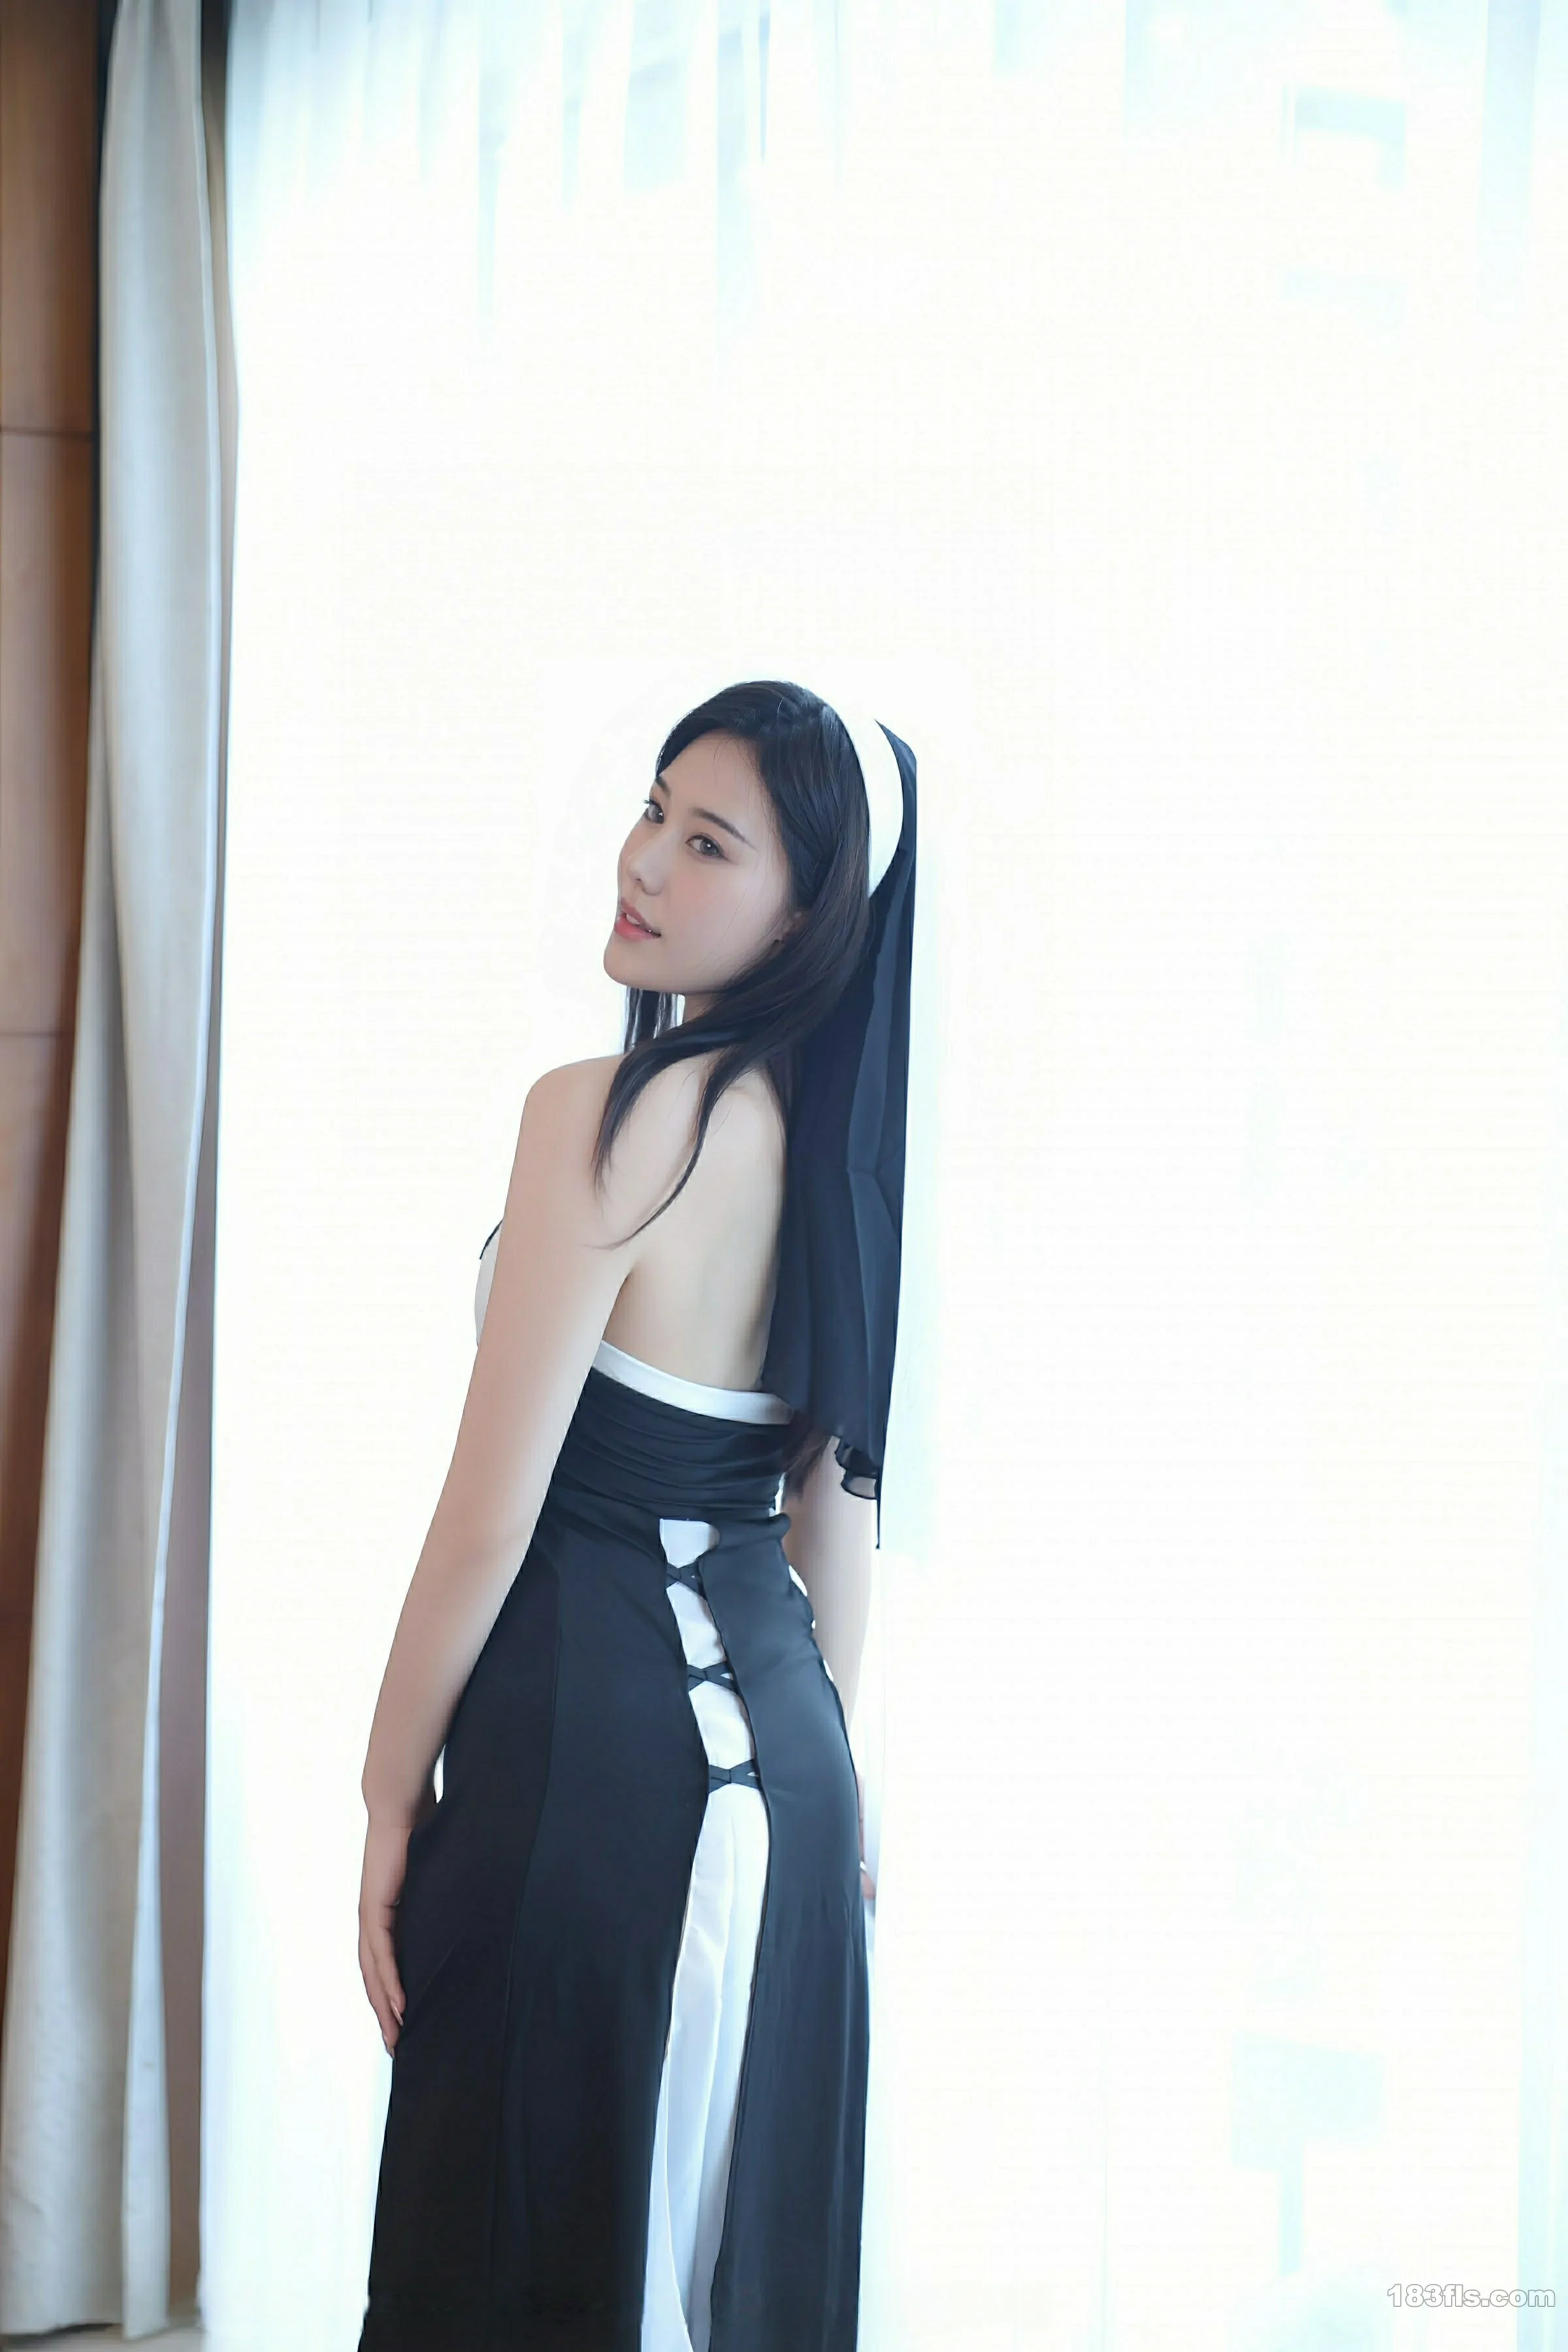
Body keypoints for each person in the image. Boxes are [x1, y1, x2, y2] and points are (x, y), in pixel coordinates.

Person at [354, 678, 918, 2352]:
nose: (646, 861)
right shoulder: (845, 1159)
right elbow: (834, 1518)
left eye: (710, 841)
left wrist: (386, 1797)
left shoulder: (605, 1119)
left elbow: (489, 1516)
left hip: (588, 1783)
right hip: (793, 1789)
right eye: (654, 810)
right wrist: (835, 1786)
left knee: (516, 2271)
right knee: (736, 2291)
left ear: (807, 912)